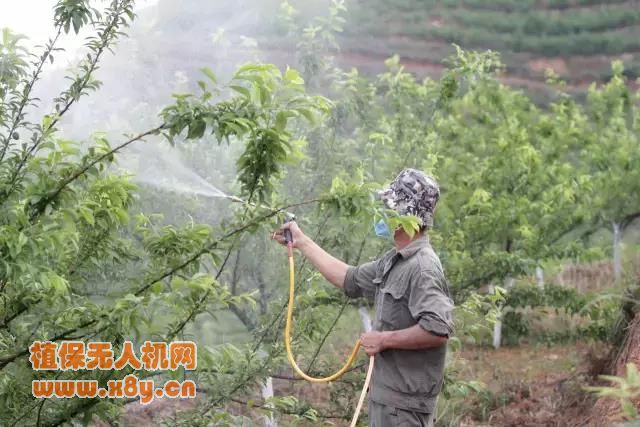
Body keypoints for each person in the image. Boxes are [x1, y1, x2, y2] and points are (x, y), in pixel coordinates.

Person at [272, 168, 454, 427]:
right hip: (389, 401)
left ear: (407, 215)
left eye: (390, 207)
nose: (383, 213)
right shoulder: (395, 261)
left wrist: (383, 339)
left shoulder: (423, 267)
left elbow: (438, 330)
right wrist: (302, 242)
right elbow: (351, 279)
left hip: (403, 410)